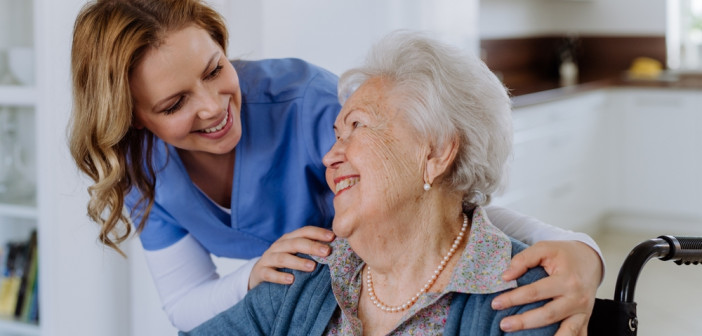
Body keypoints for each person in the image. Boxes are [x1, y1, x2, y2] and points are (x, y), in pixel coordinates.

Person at [69, 0, 602, 333]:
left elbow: (443, 195)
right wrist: (256, 277)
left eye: (216, 70)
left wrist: (578, 249)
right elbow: (187, 303)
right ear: (134, 120)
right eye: (173, 104)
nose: (212, 106)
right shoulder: (142, 169)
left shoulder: (310, 104)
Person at [182, 30, 560, 336]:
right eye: (335, 134)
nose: (329, 157)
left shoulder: (522, 297)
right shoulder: (307, 274)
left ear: (435, 153)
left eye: (356, 126)